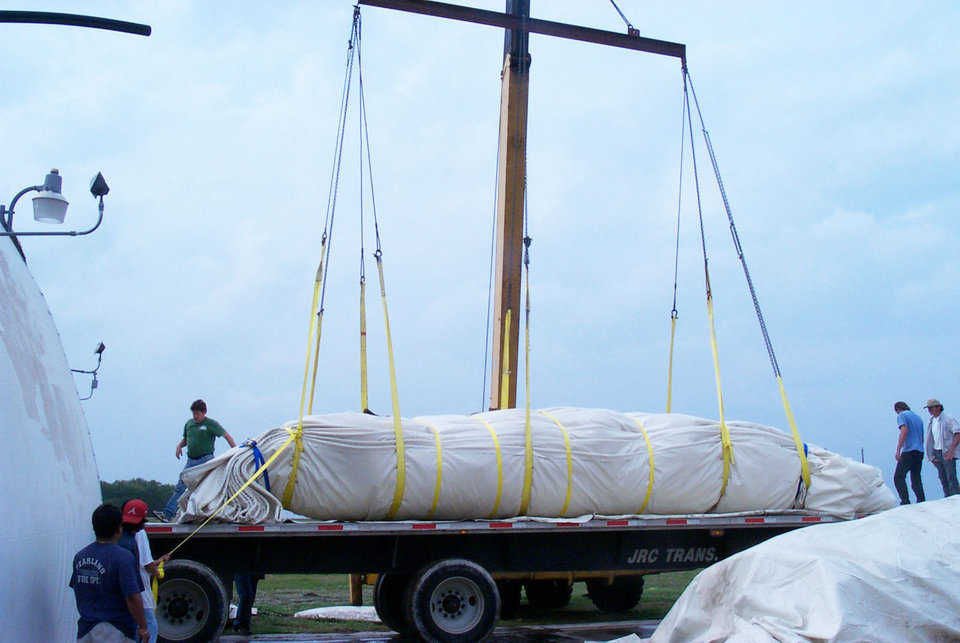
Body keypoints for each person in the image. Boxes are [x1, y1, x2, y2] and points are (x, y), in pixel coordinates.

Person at [69, 503, 149, 642]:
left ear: (94, 527)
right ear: (119, 529)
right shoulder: (123, 558)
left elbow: (77, 589)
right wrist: (143, 626)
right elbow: (132, 597)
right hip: (116, 630)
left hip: (86, 629)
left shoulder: (80, 556)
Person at [158, 399, 236, 520]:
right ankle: (168, 513)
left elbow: (227, 436)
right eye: (194, 414)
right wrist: (179, 446)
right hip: (191, 460)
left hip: (206, 460)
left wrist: (235, 451)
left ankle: (214, 513)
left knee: (209, 487)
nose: (195, 416)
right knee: (181, 485)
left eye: (197, 414)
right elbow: (186, 439)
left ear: (204, 412)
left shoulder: (211, 424)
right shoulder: (189, 424)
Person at [119, 500, 169, 643]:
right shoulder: (139, 534)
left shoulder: (120, 536)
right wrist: (158, 572)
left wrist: (158, 561)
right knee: (149, 630)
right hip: (141, 600)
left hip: (125, 602)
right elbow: (147, 565)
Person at [924, 398, 960, 497]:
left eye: (931, 408)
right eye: (929, 409)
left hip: (947, 451)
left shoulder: (948, 418)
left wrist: (951, 450)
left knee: (950, 476)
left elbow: (957, 433)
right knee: (942, 477)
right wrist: (931, 455)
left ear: (938, 407)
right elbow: (930, 439)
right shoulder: (931, 421)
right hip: (937, 452)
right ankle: (948, 498)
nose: (929, 411)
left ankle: (955, 497)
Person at [893, 401, 925, 504]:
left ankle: (905, 501)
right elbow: (922, 436)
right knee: (916, 477)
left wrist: (898, 449)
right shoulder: (918, 418)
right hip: (919, 450)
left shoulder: (902, 415)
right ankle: (921, 499)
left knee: (898, 476)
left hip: (909, 450)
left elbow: (904, 431)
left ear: (897, 409)